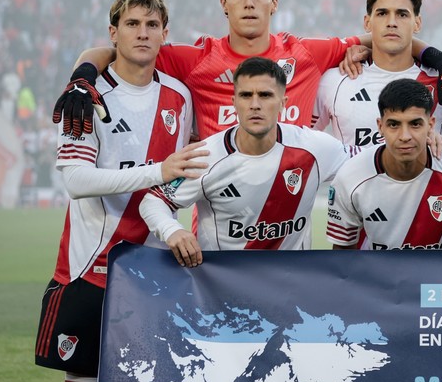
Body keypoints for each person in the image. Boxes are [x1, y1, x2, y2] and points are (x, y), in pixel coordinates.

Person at [53, 0, 442, 142]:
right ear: (223, 4)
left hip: (288, 231)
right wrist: (81, 80)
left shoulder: (306, 53)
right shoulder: (195, 59)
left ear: (274, 3)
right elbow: (112, 51)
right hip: (218, 235)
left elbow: (391, 37)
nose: (249, 3)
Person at [35, 0, 205, 382]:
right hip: (90, 268)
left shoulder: (180, 97)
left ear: (165, 34)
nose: (142, 33)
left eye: (152, 25)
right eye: (132, 24)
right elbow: (76, 181)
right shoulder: (85, 96)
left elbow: (187, 170)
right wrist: (157, 171)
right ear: (113, 33)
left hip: (154, 269)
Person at [139, 57, 349, 264]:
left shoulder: (315, 148)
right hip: (224, 282)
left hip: (292, 280)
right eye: (246, 95)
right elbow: (154, 202)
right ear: (234, 103)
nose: (255, 105)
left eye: (265, 95)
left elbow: (361, 165)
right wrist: (172, 230)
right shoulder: (206, 157)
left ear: (282, 103)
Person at [313, 0, 442, 157]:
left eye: (402, 14)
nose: (392, 22)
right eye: (382, 13)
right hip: (352, 177)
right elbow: (303, 146)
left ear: (417, 23)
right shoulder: (333, 81)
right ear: (367, 23)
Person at [326, 78, 442, 250]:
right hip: (376, 269)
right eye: (394, 124)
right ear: (380, 126)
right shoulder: (350, 176)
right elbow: (343, 255)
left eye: (415, 124)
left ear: (430, 125)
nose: (405, 136)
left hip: (441, 270)